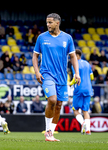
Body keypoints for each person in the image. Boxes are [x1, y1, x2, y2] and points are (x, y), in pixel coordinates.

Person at [32, 13, 80, 142]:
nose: (48, 25)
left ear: (57, 23)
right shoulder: (41, 38)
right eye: (47, 22)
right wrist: (37, 72)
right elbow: (35, 56)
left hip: (62, 76)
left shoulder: (67, 38)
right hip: (47, 74)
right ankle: (47, 131)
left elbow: (73, 56)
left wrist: (77, 73)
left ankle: (51, 133)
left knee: (59, 104)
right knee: (52, 100)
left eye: (50, 22)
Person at [69, 49, 94, 135]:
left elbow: (75, 78)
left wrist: (70, 84)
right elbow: (92, 77)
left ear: (77, 55)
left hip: (79, 89)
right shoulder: (87, 64)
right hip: (88, 89)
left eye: (73, 55)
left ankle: (83, 123)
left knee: (75, 109)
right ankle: (88, 130)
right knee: (85, 110)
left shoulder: (74, 65)